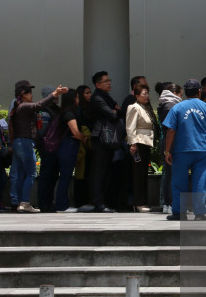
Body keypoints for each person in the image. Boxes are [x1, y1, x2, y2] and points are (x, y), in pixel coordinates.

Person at [162, 79, 206, 221]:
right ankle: (200, 213)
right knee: (200, 182)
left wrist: (167, 151)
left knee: (179, 182)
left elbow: (170, 131)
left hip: (182, 150)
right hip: (202, 150)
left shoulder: (177, 108)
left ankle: (179, 213)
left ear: (185, 92)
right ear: (200, 91)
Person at [9, 80, 68, 212]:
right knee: (31, 173)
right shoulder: (24, 106)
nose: (32, 96)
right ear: (23, 94)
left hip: (19, 142)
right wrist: (54, 94)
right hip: (25, 142)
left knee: (21, 173)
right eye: (30, 93)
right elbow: (39, 105)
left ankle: (18, 201)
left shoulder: (17, 107)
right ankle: (24, 202)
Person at [84, 71, 121, 213]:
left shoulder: (107, 97)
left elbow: (119, 111)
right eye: (105, 81)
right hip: (100, 139)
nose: (109, 83)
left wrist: (116, 111)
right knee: (99, 172)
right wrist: (115, 111)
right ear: (97, 84)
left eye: (109, 80)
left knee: (105, 171)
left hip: (108, 139)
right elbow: (112, 114)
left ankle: (103, 202)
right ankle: (98, 203)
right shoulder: (98, 98)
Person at [126, 82, 159, 213]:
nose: (147, 96)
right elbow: (130, 126)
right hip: (138, 143)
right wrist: (132, 143)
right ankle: (138, 202)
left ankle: (143, 201)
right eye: (144, 94)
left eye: (147, 93)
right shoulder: (134, 107)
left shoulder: (145, 107)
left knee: (143, 173)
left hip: (146, 143)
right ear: (137, 95)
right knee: (138, 174)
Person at [53, 90, 87, 212]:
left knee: (65, 176)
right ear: (73, 99)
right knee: (65, 176)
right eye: (77, 97)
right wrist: (84, 138)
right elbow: (75, 132)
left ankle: (62, 204)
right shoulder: (69, 114)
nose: (78, 100)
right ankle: (62, 205)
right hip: (69, 145)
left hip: (65, 146)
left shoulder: (63, 112)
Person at [157, 83, 183, 213]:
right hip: (171, 142)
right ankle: (172, 203)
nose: (181, 98)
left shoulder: (164, 104)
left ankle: (168, 203)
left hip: (167, 141)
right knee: (173, 174)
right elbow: (172, 127)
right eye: (180, 94)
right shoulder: (171, 106)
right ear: (175, 93)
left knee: (169, 174)